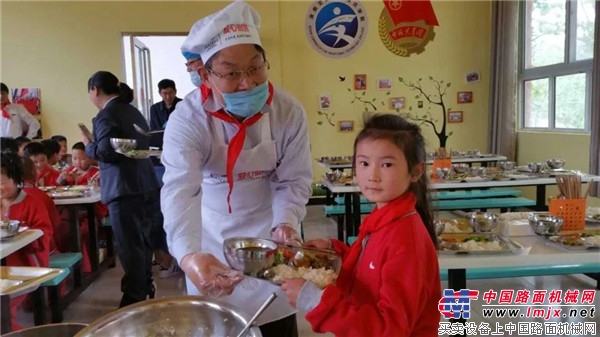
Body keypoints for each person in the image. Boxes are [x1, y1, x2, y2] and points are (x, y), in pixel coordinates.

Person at [161, 1, 312, 336]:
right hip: (211, 243)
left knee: (278, 326)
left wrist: (286, 223)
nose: (248, 83)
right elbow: (180, 192)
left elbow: (292, 180)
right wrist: (189, 257)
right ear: (204, 75)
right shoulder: (188, 121)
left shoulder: (287, 111)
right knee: (217, 328)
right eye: (231, 73)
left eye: (256, 68)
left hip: (270, 242)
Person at [280, 113, 441, 337]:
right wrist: (334, 252)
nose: (372, 175)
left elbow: (391, 329)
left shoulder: (406, 240)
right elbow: (371, 268)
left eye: (386, 164)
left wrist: (316, 301)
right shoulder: (384, 217)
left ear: (415, 171)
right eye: (364, 163)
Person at [82, 71, 161, 308]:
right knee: (143, 242)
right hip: (146, 184)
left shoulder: (106, 115)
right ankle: (144, 288)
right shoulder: (133, 110)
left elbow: (107, 152)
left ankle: (133, 301)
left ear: (95, 90)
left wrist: (88, 146)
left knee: (129, 246)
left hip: (123, 189)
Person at [1, 152, 53, 331]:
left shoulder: (31, 202)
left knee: (2, 308)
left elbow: (44, 232)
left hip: (24, 268)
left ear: (17, 179)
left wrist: (24, 235)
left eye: (2, 182)